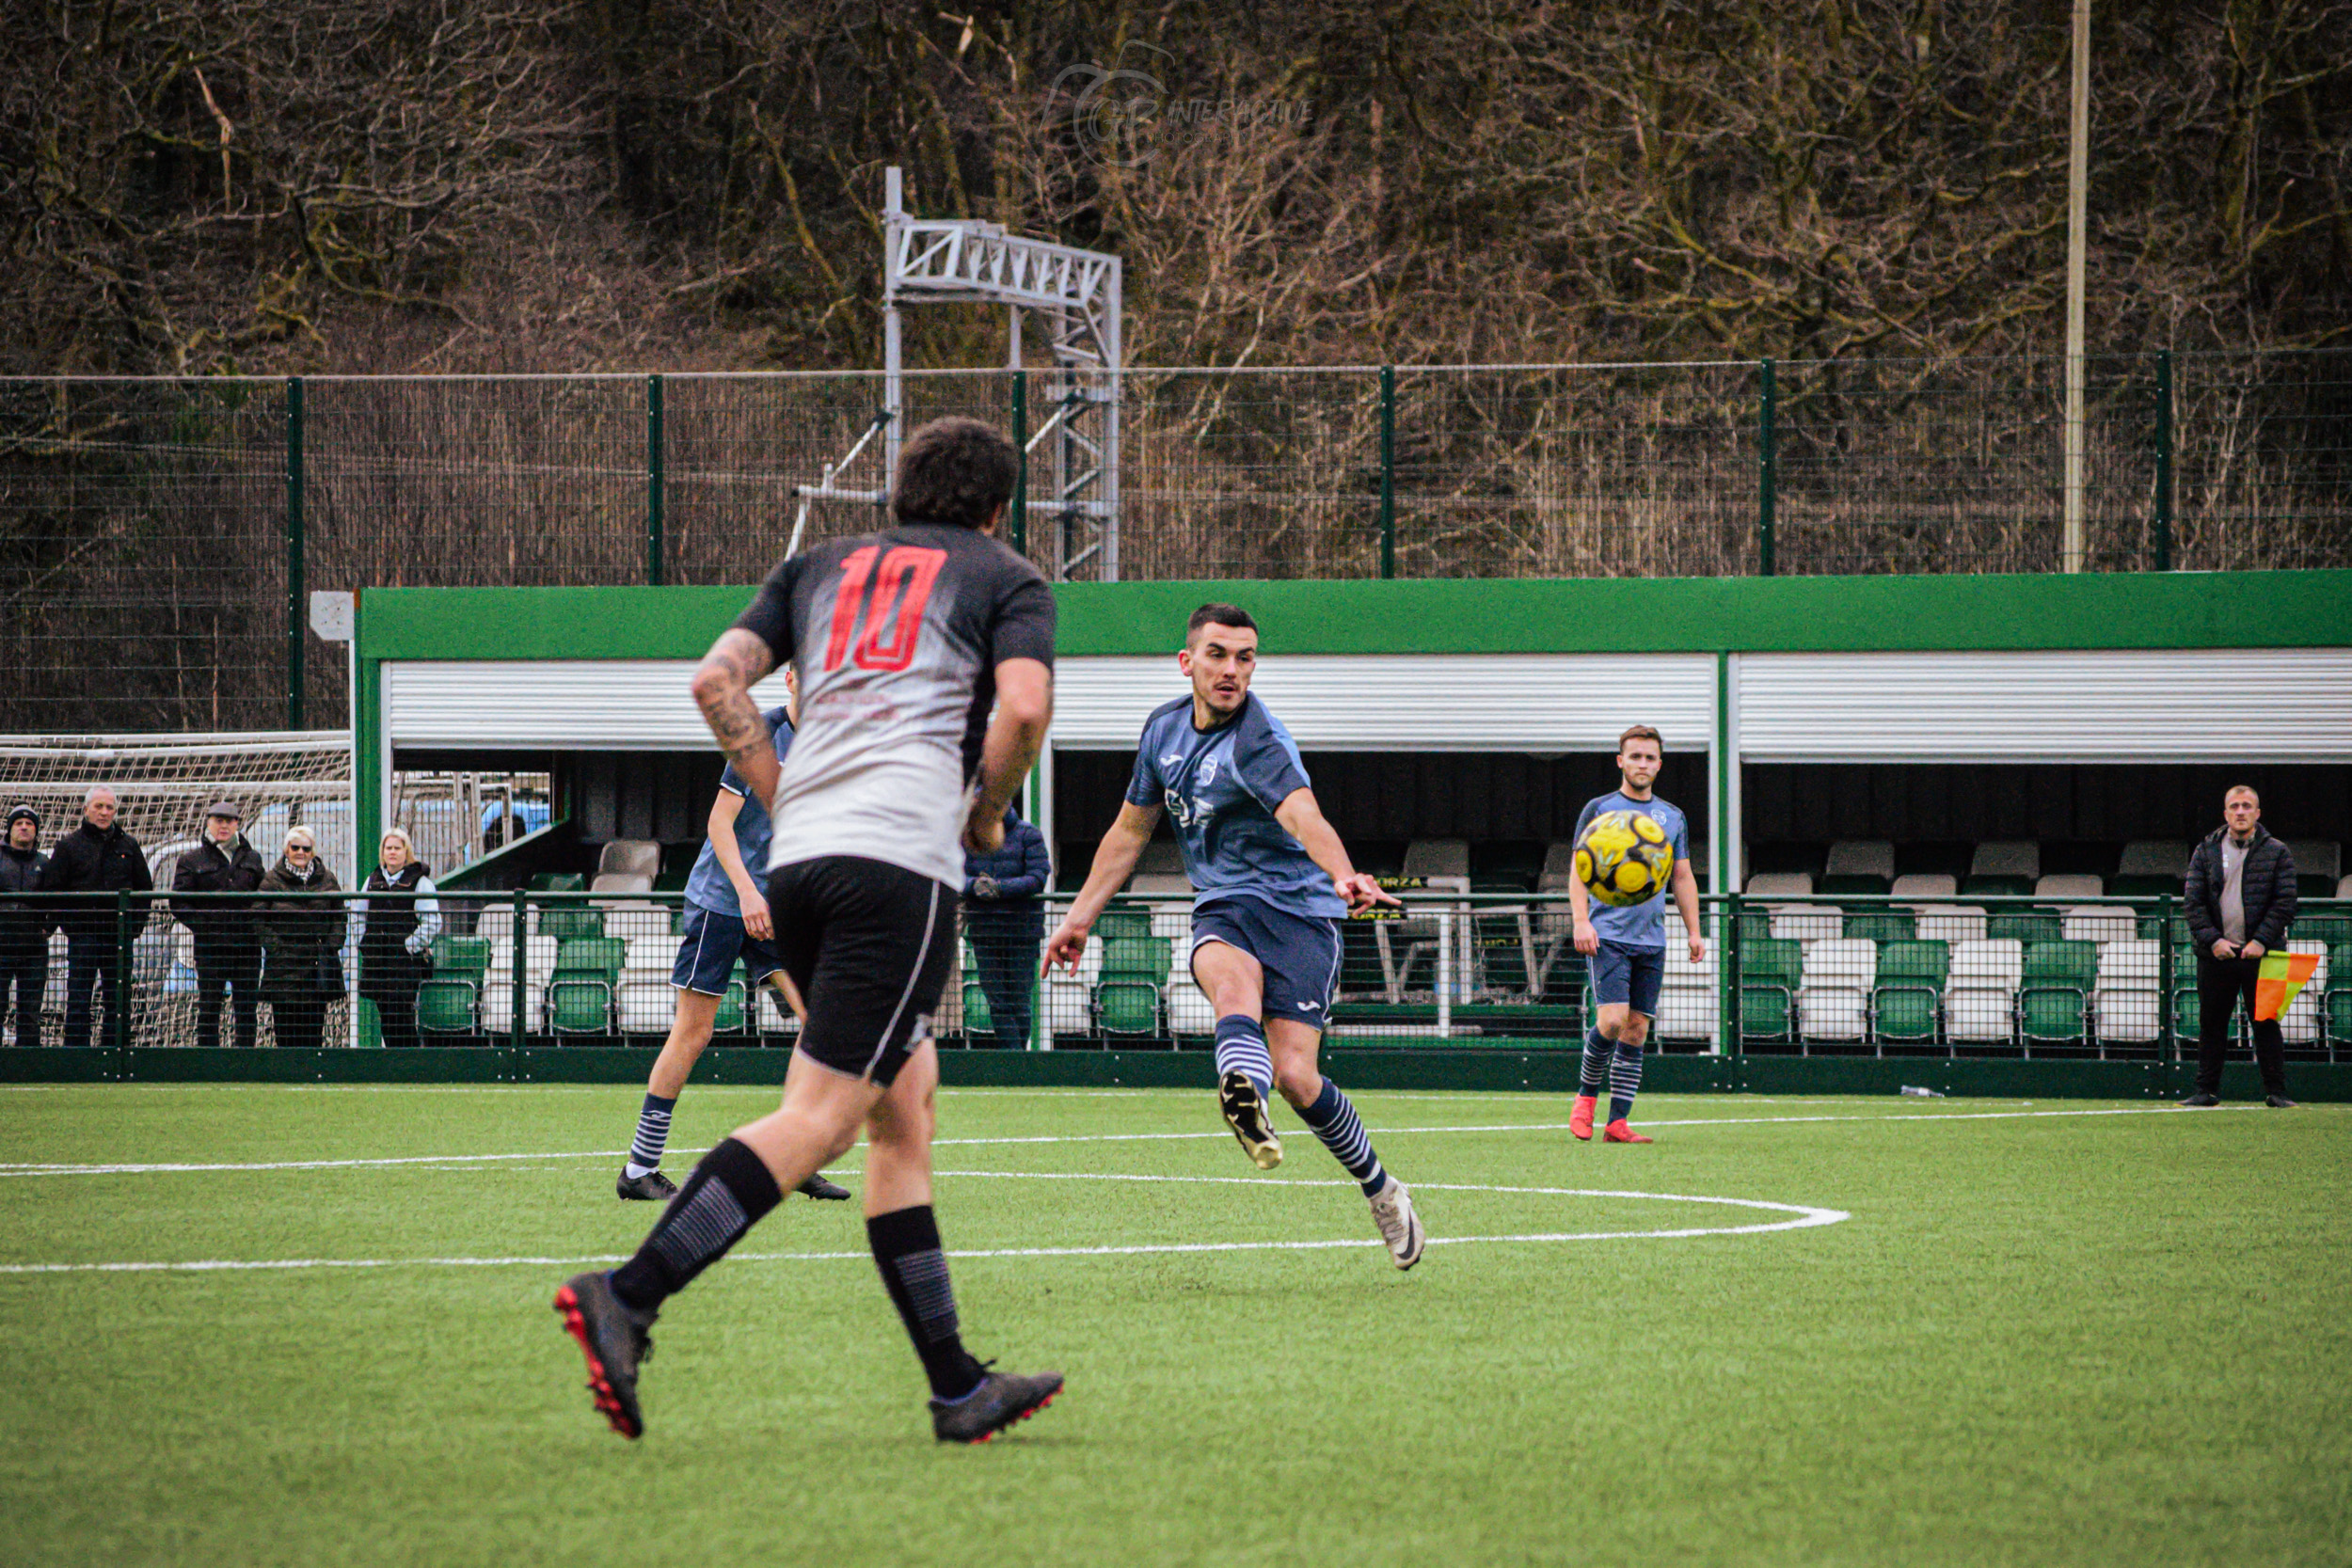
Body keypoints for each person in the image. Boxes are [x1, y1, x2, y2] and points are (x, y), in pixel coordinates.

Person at [556, 414, 1063, 1446]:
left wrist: (786, 792)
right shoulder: (1006, 577)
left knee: (902, 1111)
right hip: (899, 870)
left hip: (801, 863)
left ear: (897, 494)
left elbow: (714, 682)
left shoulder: (817, 567)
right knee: (824, 1118)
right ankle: (628, 1291)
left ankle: (956, 1383)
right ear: (997, 508)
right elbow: (1022, 706)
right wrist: (983, 810)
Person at [1043, 603, 1426, 1269]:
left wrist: (1343, 874)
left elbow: (1305, 815)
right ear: (1187, 661)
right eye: (1218, 655)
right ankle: (1243, 1094)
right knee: (1230, 984)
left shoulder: (1259, 741)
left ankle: (1381, 1187)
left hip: (1302, 914)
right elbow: (1129, 831)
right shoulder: (1162, 731)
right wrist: (1078, 917)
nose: (1231, 670)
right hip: (1225, 903)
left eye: (1245, 657)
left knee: (1300, 1077)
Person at [615, 670, 850, 1205]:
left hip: (778, 908)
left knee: (818, 1025)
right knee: (693, 1034)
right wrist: (747, 895)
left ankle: (797, 1154)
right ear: (791, 678)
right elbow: (720, 826)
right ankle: (638, 1168)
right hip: (723, 903)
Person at [1566, 725, 1706, 1144]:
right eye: (1635, 756)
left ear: (1659, 765)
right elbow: (1578, 870)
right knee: (1611, 1021)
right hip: (1607, 932)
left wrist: (1694, 931)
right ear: (1620, 761)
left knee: (1637, 1029)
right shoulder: (1599, 808)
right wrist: (1580, 920)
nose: (1642, 764)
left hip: (1652, 938)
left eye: (1650, 758)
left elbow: (1681, 876)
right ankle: (1586, 1099)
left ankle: (1617, 1122)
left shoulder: (1672, 816)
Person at [2180, 785, 2298, 1109]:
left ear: (2258, 813)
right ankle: (2205, 1092)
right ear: (2226, 813)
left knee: (2267, 1024)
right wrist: (2213, 940)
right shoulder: (2205, 850)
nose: (2241, 811)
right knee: (2212, 1025)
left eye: (2247, 806)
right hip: (2216, 955)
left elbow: (2285, 901)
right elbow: (2193, 903)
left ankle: (2277, 1093)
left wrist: (2260, 940)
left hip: (2265, 955)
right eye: (2235, 806)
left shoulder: (2278, 851)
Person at [42, 787, 151, 1051]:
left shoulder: (129, 845)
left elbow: (144, 889)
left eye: (110, 807)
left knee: (118, 1000)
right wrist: (70, 927)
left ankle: (115, 1056)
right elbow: (54, 891)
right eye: (99, 806)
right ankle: (77, 1059)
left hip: (119, 937)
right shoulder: (68, 845)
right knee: (79, 999)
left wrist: (133, 928)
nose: (104, 812)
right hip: (83, 938)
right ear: (86, 809)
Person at [173, 803, 267, 1049]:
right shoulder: (190, 860)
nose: (224, 826)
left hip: (247, 948)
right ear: (208, 823)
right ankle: (208, 1060)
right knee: (209, 1007)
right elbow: (179, 901)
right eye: (218, 820)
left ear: (238, 824)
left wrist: (254, 927)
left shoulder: (253, 858)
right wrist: (204, 927)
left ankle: (245, 1061)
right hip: (210, 948)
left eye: (230, 820)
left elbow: (264, 897)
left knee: (246, 1009)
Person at [962, 802, 1051, 1048]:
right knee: (997, 1001)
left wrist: (999, 888)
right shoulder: (967, 837)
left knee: (1019, 1000)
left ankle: (1015, 1057)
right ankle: (1014, 1058)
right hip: (984, 931)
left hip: (1022, 932)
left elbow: (1038, 877)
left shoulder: (1028, 834)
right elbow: (953, 873)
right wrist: (974, 886)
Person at [352, 828, 440, 1049]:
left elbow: (433, 922)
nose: (392, 852)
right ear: (383, 852)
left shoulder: (420, 882)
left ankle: (408, 1062)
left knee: (401, 1016)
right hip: (378, 962)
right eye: (388, 848)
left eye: (397, 848)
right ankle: (395, 1061)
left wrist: (408, 946)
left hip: (404, 964)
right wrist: (363, 942)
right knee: (386, 1017)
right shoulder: (372, 880)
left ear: (406, 852)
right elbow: (358, 913)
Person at [258, 827, 343, 1051]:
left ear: (312, 851)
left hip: (316, 966)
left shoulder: (327, 879)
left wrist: (331, 946)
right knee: (285, 1030)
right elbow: (257, 918)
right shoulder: (271, 880)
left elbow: (340, 915)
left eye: (306, 848)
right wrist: (276, 947)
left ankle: (311, 1077)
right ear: (287, 849)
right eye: (295, 847)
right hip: (283, 966)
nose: (300, 852)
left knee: (314, 1029)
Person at [0, 805, 51, 1049]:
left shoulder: (45, 862)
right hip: (1, 943)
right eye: (18, 823)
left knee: (30, 1010)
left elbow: (57, 900)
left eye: (29, 824)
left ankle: (29, 1063)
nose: (24, 827)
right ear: (9, 829)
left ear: (36, 830)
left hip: (34, 948)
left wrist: (47, 929)